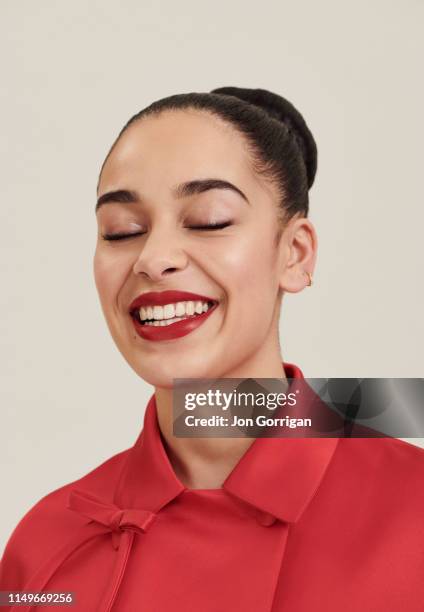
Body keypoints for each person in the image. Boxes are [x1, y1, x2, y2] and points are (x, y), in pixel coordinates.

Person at [1, 87, 423, 611]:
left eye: (209, 221)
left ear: (294, 254)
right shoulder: (45, 544)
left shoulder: (414, 513)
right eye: (122, 230)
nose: (153, 258)